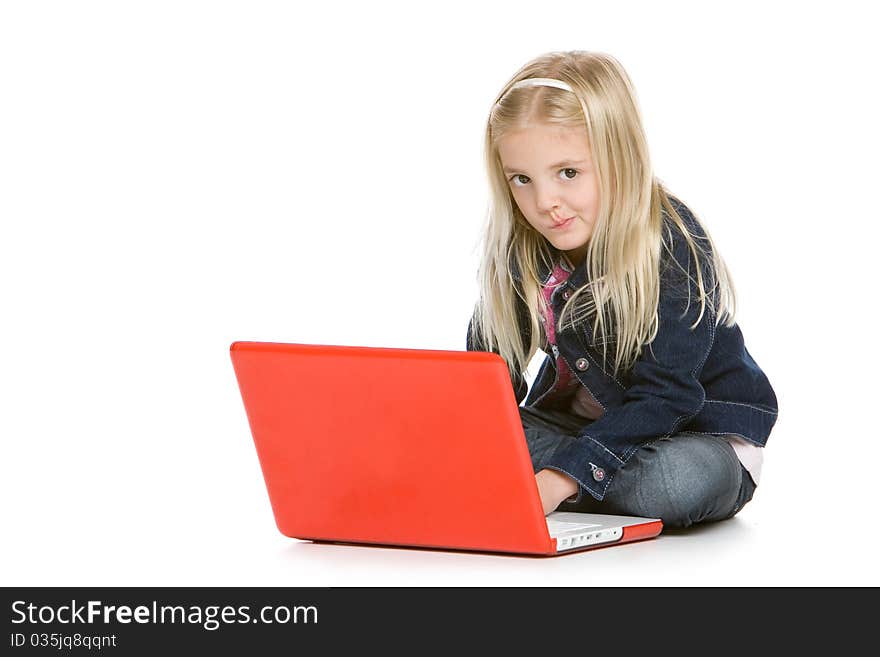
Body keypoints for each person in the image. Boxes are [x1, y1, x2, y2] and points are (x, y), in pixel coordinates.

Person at [466, 51, 778, 529]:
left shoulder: (670, 243)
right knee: (445, 437)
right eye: (522, 180)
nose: (545, 202)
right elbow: (488, 380)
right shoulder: (523, 246)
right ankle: (574, 477)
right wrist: (467, 434)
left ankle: (561, 481)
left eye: (568, 173)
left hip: (692, 432)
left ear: (619, 158)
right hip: (589, 430)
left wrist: (563, 475)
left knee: (680, 482)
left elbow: (670, 397)